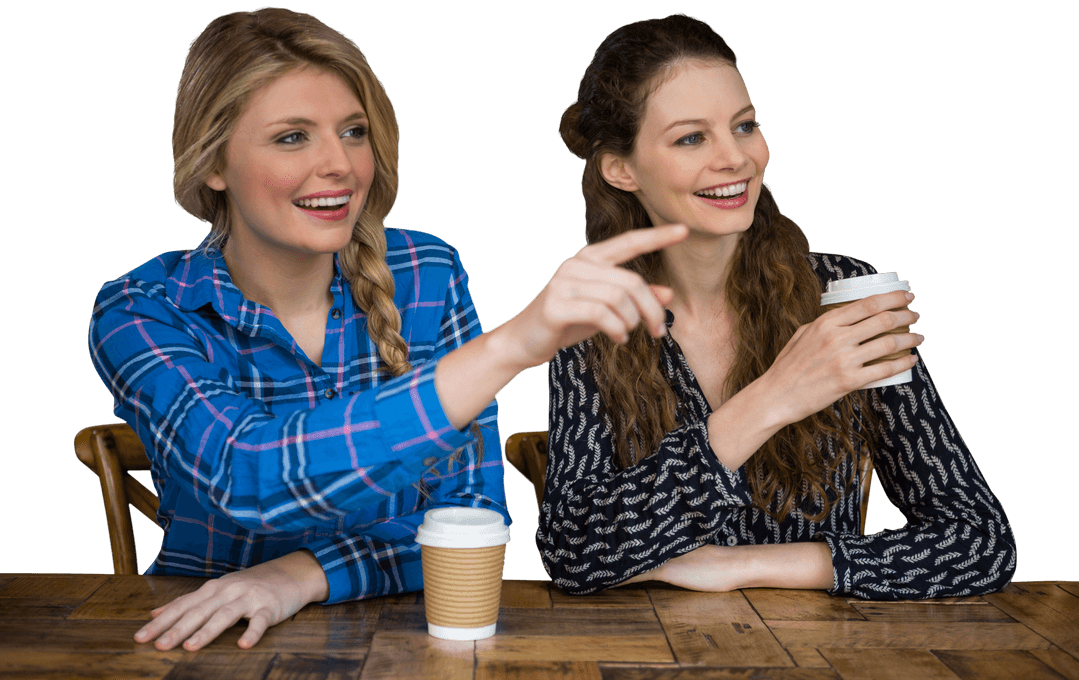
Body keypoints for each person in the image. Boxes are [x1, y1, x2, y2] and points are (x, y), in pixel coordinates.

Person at [89, 8, 688, 651]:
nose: (341, 166)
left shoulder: (425, 273)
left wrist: (303, 574)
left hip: (402, 641)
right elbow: (246, 472)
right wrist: (510, 347)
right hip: (210, 638)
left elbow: (471, 521)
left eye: (353, 131)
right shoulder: (143, 311)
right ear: (212, 163)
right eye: (292, 137)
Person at [540, 13, 1016, 600]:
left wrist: (745, 566)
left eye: (745, 126)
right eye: (692, 137)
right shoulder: (592, 319)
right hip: (650, 656)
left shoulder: (845, 295)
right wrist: (773, 398)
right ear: (621, 168)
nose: (735, 158)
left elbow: (980, 542)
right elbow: (572, 550)